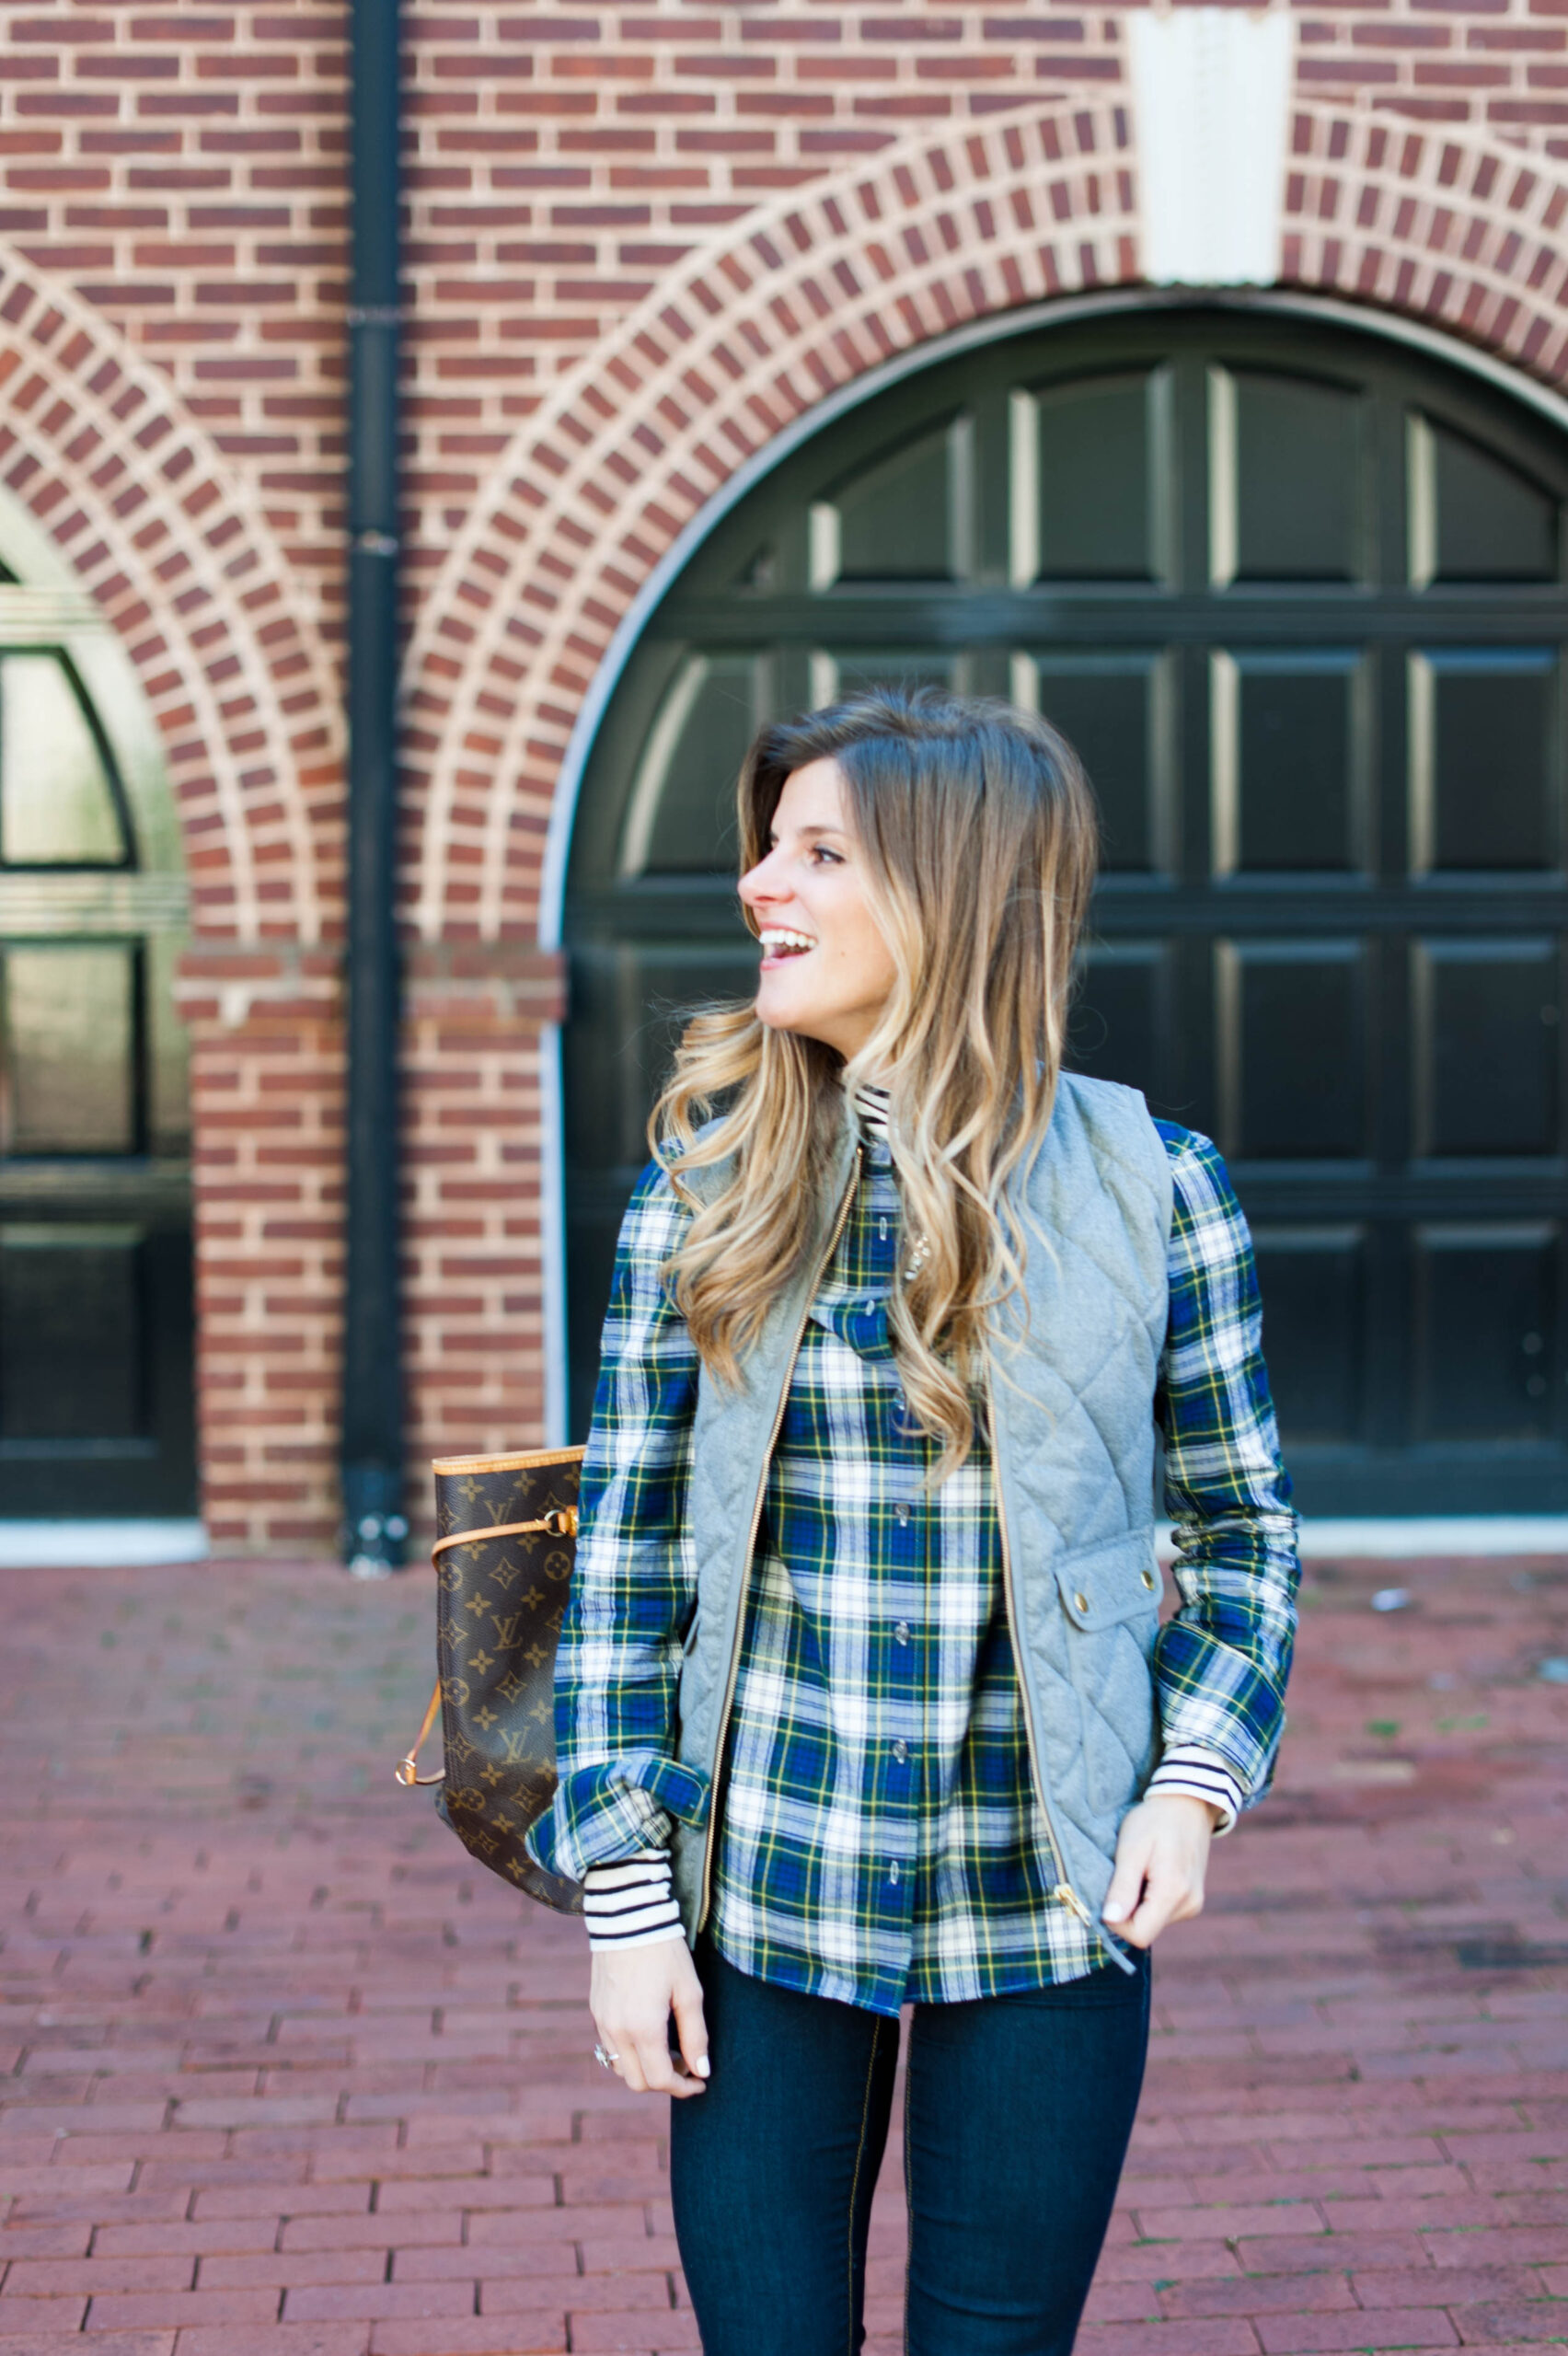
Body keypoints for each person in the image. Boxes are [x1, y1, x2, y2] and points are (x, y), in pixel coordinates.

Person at [526, 687, 1298, 2356]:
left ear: (950, 901)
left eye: (818, 852)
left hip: (1049, 1895)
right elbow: (626, 1568)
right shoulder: (706, 1192)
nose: (757, 886)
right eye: (767, 845)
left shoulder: (1161, 1190)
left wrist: (1196, 1780)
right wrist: (628, 1907)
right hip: (762, 1889)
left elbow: (1246, 1535)